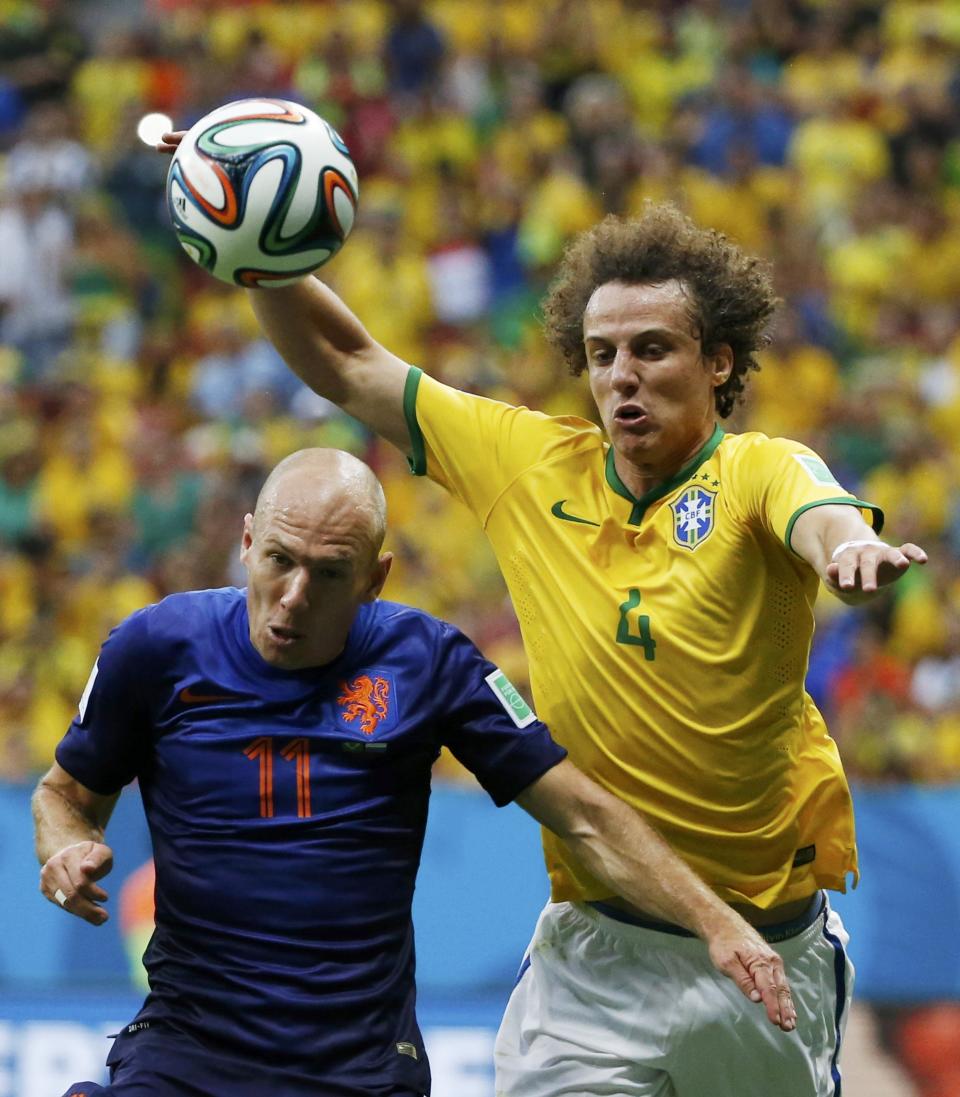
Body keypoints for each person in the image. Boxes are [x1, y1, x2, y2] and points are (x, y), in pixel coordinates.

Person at [189, 189, 929, 1096]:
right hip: (596, 952)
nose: (622, 375)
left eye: (652, 349)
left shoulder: (756, 470)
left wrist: (849, 549)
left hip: (761, 950)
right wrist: (253, 254)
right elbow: (348, 362)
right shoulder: (530, 467)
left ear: (719, 360)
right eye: (601, 353)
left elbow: (819, 513)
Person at [36, 447, 795, 1097]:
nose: (293, 596)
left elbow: (583, 812)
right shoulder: (154, 648)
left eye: (330, 573)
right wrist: (65, 847)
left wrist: (715, 919)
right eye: (279, 560)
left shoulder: (427, 661)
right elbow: (64, 795)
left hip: (358, 1065)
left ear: (376, 576)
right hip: (185, 1049)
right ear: (246, 542)